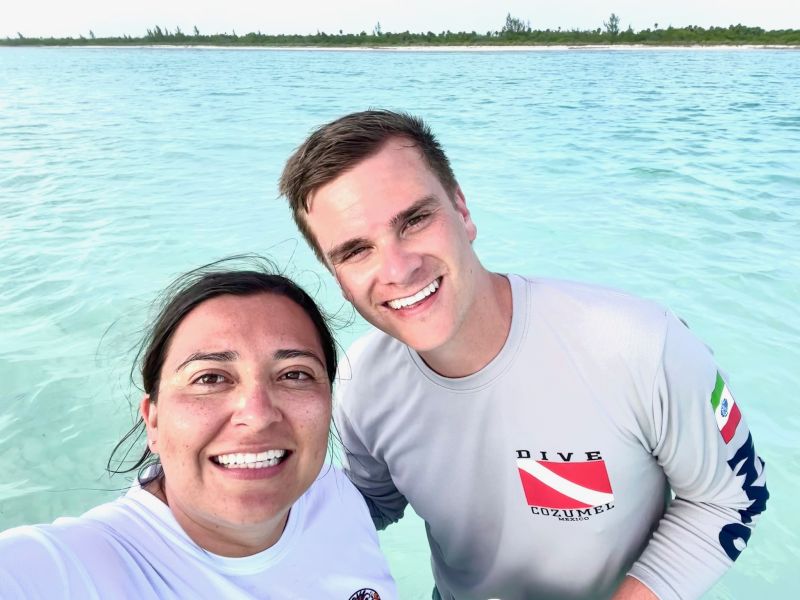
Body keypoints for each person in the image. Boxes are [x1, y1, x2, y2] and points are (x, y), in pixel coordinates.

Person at [279, 110, 769, 600]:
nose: (398, 268)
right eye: (355, 251)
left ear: (462, 211)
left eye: (415, 219)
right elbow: (374, 503)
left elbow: (730, 497)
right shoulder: (361, 379)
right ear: (337, 278)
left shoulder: (638, 344)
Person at [0, 262, 397, 600]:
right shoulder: (74, 568)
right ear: (152, 420)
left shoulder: (335, 494)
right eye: (210, 378)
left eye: (294, 374)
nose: (257, 414)